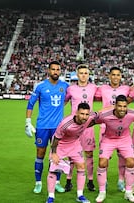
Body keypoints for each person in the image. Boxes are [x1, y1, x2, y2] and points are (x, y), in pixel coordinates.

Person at [25, 60, 68, 194]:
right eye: (53, 69)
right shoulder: (40, 86)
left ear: (60, 71)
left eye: (58, 69)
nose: (55, 72)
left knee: (57, 154)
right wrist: (28, 122)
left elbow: (72, 98)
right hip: (42, 126)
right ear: (48, 71)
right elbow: (30, 104)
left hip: (58, 128)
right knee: (40, 154)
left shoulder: (65, 86)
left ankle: (57, 182)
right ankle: (38, 183)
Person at [94, 95, 134, 203]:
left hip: (124, 139)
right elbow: (93, 121)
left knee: (131, 162)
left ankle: (128, 192)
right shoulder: (105, 116)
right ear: (115, 106)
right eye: (119, 106)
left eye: (124, 106)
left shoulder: (132, 114)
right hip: (108, 139)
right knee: (102, 163)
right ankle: (102, 192)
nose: (122, 109)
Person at [46, 102, 95, 203]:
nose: (84, 117)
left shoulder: (89, 118)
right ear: (77, 113)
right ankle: (51, 197)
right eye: (82, 114)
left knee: (81, 166)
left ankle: (80, 195)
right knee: (53, 168)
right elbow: (56, 138)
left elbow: (100, 114)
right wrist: (54, 153)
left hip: (75, 144)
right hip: (61, 145)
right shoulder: (65, 124)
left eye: (86, 114)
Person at [94, 66, 130, 192]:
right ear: (109, 76)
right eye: (113, 74)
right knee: (105, 157)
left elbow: (131, 98)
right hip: (105, 126)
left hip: (121, 126)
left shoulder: (126, 89)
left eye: (118, 75)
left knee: (122, 156)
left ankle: (121, 180)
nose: (115, 77)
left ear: (121, 76)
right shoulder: (102, 88)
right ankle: (105, 181)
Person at [64, 64, 98, 192]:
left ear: (88, 75)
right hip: (73, 126)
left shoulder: (94, 88)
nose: (83, 75)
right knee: (71, 155)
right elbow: (64, 102)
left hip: (88, 126)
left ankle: (90, 180)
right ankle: (68, 180)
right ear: (77, 75)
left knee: (89, 154)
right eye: (81, 73)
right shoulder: (71, 89)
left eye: (86, 73)